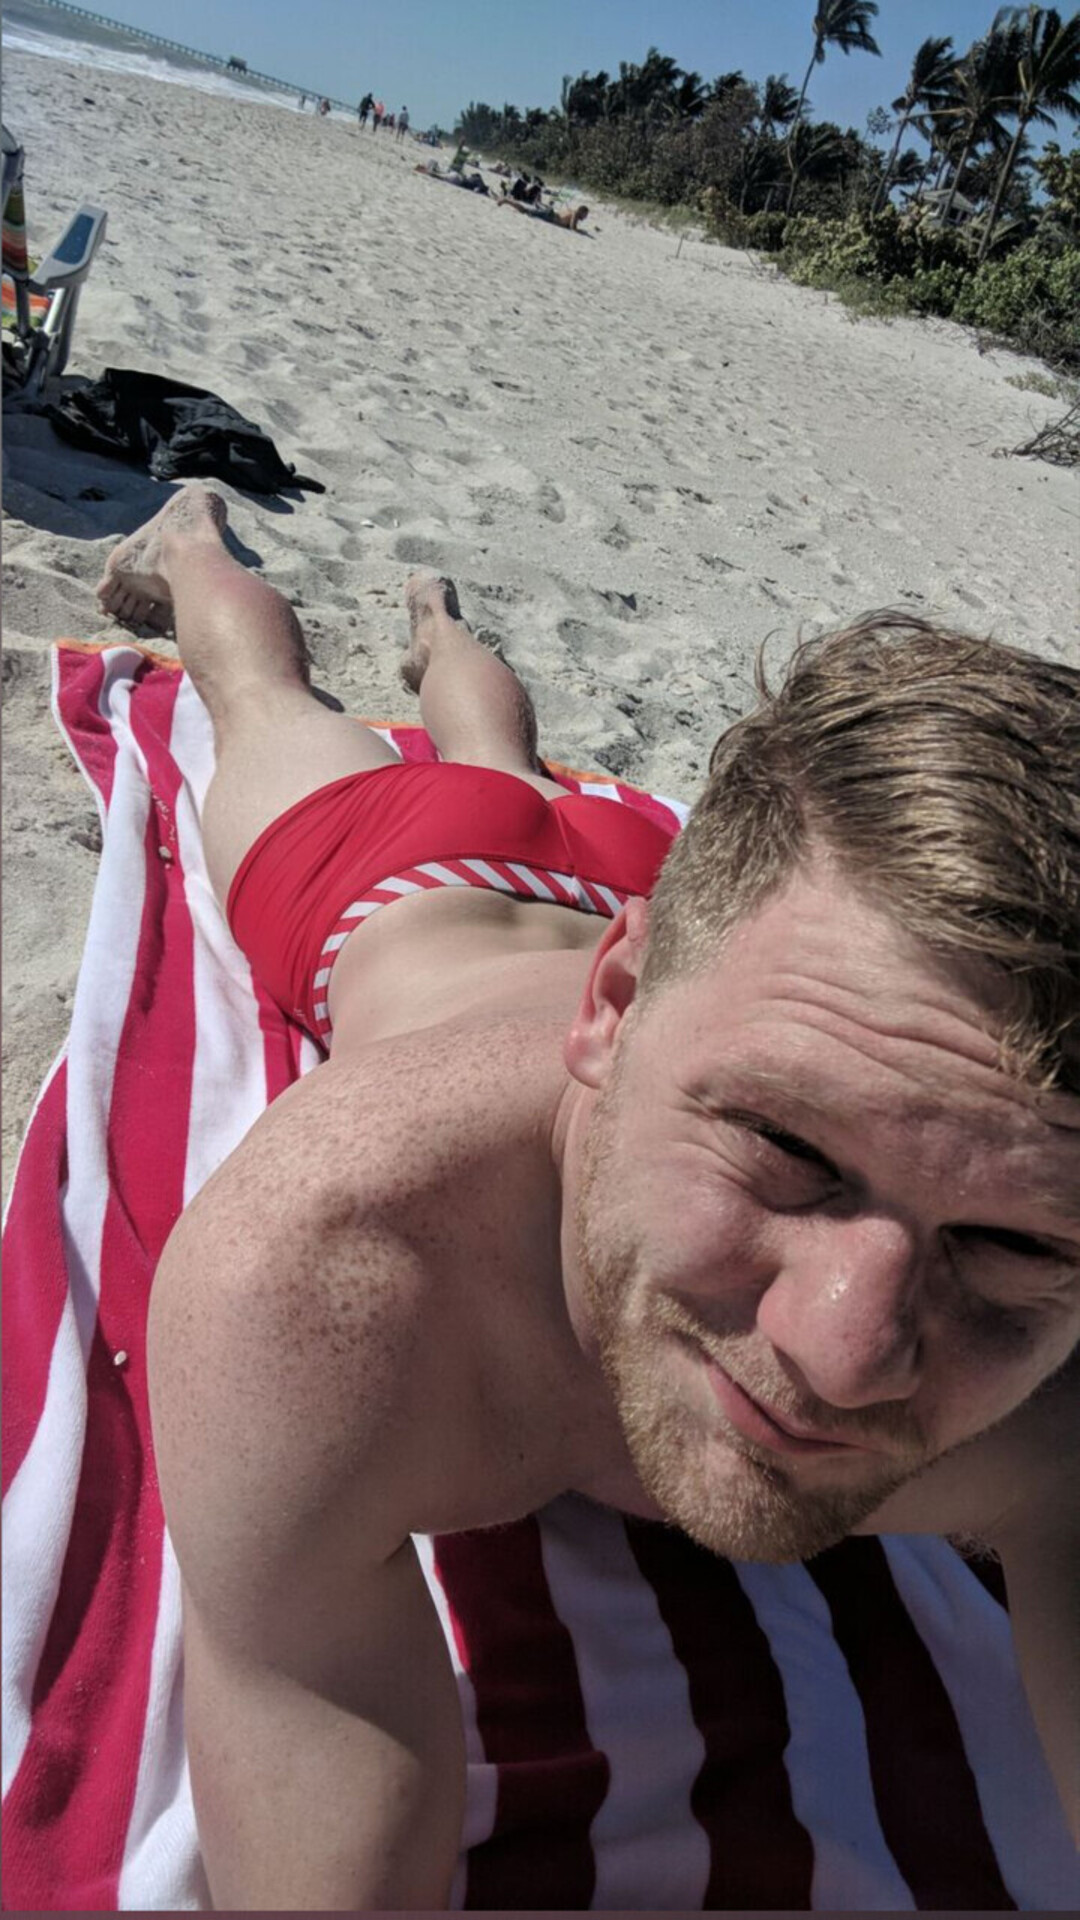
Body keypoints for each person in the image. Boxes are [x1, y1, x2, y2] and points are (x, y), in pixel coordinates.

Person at [93, 486, 1079, 1909]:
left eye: (1011, 1242)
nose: (842, 1355)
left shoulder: (1048, 1390)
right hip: (398, 878)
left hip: (616, 899)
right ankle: (195, 541)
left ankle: (443, 631)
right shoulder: (325, 1278)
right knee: (258, 696)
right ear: (611, 1008)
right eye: (784, 1149)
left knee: (498, 753)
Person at [498, 195, 589, 230]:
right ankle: (507, 200)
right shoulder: (575, 214)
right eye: (585, 215)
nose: (585, 218)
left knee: (526, 211)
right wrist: (581, 231)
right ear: (581, 211)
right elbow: (573, 227)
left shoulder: (571, 211)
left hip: (550, 214)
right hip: (550, 215)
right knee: (524, 210)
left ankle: (507, 201)